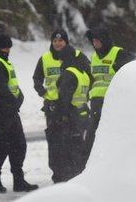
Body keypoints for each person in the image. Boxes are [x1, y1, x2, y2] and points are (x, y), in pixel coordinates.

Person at [32, 30, 91, 182]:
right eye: (55, 41)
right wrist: (43, 92)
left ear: (66, 42)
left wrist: (86, 95)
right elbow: (37, 78)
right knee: (55, 141)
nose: (58, 44)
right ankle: (58, 173)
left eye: (61, 41)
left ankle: (71, 173)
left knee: (71, 142)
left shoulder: (77, 56)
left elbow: (89, 76)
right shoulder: (45, 58)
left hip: (71, 109)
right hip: (52, 106)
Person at [0, 34, 38, 193]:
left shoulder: (3, 62)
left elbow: (11, 86)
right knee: (1, 147)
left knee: (18, 145)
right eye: (5, 48)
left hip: (10, 111)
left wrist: (19, 97)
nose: (8, 50)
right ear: (0, 48)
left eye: (9, 48)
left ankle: (18, 180)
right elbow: (2, 89)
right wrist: (14, 101)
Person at [85, 26, 136, 155]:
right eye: (93, 41)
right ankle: (90, 159)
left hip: (113, 100)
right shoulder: (94, 57)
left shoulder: (118, 53)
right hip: (96, 102)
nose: (95, 44)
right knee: (93, 133)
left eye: (98, 40)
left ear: (105, 40)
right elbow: (92, 78)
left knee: (111, 132)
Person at [44, 52, 91, 182]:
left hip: (70, 118)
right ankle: (79, 175)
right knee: (78, 148)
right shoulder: (83, 74)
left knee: (63, 150)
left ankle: (64, 178)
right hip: (81, 115)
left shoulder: (69, 74)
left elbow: (64, 99)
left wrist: (59, 115)